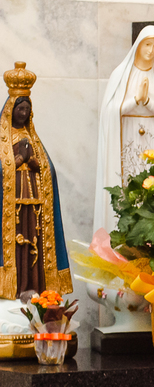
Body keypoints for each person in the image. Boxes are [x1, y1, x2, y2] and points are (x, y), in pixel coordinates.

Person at [1, 62, 72, 331]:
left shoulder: (33, 136)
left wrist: (33, 162)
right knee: (18, 244)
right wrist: (19, 159)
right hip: (10, 206)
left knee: (34, 242)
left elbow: (47, 169)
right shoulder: (2, 137)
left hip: (34, 202)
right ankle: (15, 287)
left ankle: (33, 286)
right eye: (19, 109)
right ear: (11, 109)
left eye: (27, 109)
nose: (23, 113)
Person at [95, 25, 154, 234]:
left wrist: (148, 102)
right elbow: (109, 112)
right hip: (126, 138)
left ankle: (148, 237)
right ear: (138, 45)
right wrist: (134, 100)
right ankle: (120, 234)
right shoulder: (121, 74)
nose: (151, 51)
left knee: (149, 186)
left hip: (152, 140)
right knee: (126, 186)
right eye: (147, 45)